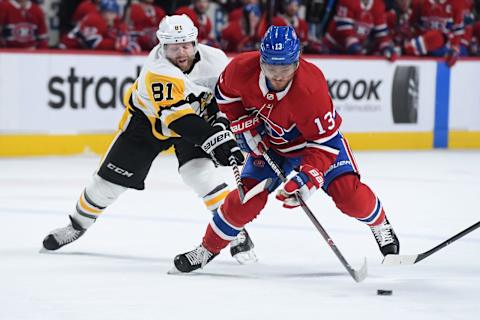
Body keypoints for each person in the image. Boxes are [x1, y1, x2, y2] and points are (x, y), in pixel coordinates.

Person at [172, 25, 400, 273]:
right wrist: (242, 127)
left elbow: (324, 143)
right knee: (244, 200)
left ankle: (380, 224)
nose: (278, 76)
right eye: (271, 68)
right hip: (272, 148)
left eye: (286, 69)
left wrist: (308, 179)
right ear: (261, 61)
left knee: (349, 196)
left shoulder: (312, 88)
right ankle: (207, 249)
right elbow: (226, 97)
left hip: (315, 148)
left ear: (297, 60)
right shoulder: (240, 69)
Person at [42, 14, 257, 264]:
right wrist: (217, 140)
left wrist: (221, 122)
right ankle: (77, 225)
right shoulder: (157, 71)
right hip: (149, 124)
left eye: (186, 44)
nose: (181, 52)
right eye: (174, 47)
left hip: (196, 118)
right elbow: (180, 121)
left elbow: (227, 97)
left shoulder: (216, 60)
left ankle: (235, 231)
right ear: (162, 46)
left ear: (196, 42)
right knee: (106, 186)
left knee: (199, 174)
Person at [322, 0, 397, 61]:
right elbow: (345, 30)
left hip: (354, 49)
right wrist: (357, 50)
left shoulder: (378, 5)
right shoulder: (347, 1)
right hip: (332, 47)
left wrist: (386, 48)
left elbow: (381, 34)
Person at [60, 0, 140, 53]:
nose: (110, 15)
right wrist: (116, 43)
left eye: (112, 12)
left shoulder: (113, 21)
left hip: (79, 50)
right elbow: (94, 43)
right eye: (107, 12)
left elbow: (123, 35)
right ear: (101, 11)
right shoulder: (94, 19)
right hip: (67, 48)